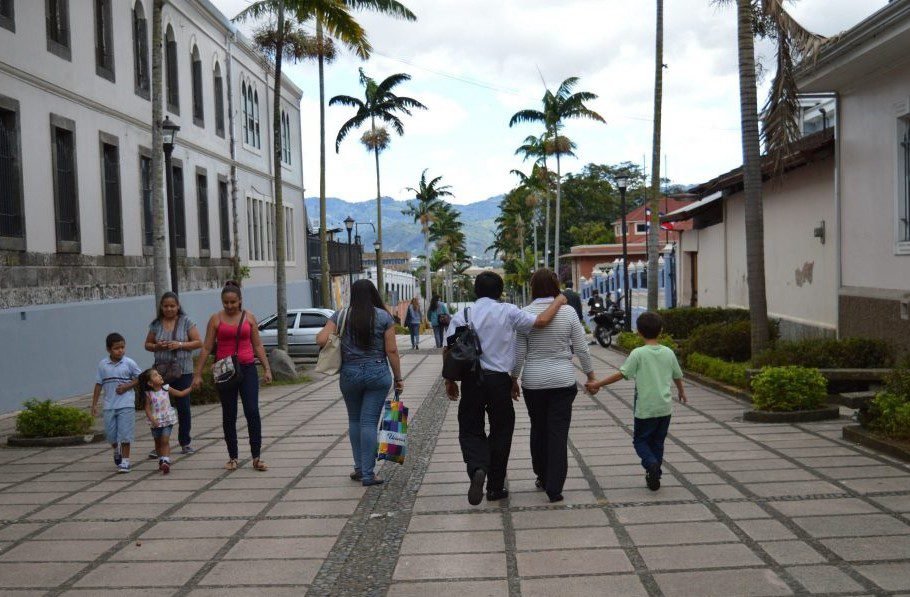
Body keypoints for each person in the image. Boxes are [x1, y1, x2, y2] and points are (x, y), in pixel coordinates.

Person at [444, 271, 567, 505]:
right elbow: (540, 322)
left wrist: (449, 381)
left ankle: (477, 467)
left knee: (470, 428)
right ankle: (495, 487)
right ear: (500, 292)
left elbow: (449, 349)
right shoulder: (508, 311)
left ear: (475, 291)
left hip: (471, 380)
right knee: (501, 431)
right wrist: (559, 300)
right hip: (499, 381)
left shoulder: (462, 314)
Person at [513, 270, 596, 503]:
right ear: (556, 285)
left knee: (538, 428)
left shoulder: (525, 314)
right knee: (558, 432)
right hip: (562, 379)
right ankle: (555, 486)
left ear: (532, 288)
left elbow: (519, 352)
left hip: (533, 380)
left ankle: (541, 474)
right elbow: (581, 348)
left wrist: (513, 379)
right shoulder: (568, 312)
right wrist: (590, 375)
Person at [586, 311, 687, 491]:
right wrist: (681, 391)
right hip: (665, 408)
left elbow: (622, 374)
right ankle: (654, 473)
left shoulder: (638, 353)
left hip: (645, 408)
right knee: (658, 442)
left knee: (640, 440)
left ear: (638, 332)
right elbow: (677, 376)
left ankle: (651, 465)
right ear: (661, 330)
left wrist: (598, 383)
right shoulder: (669, 353)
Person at [316, 279, 403, 486]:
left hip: (350, 374)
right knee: (369, 422)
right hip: (377, 373)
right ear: (373, 293)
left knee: (355, 421)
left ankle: (359, 468)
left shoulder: (342, 314)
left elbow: (320, 339)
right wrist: (398, 378)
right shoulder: (384, 317)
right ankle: (368, 473)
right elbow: (391, 350)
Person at [192, 281, 272, 472]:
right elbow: (206, 347)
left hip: (247, 368)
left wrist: (267, 368)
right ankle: (233, 456)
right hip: (224, 370)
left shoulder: (249, 317)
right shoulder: (215, 319)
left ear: (240, 301)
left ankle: (256, 456)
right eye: (225, 302)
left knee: (252, 411)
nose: (229, 306)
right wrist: (197, 374)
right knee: (229, 414)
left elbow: (258, 345)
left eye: (233, 302)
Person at [144, 292, 202, 458]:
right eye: (165, 306)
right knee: (159, 407)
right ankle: (160, 445)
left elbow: (198, 342)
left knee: (183, 407)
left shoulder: (186, 322)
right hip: (160, 373)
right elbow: (147, 344)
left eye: (172, 306)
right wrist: (157, 346)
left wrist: (180, 344)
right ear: (161, 307)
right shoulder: (156, 324)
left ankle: (185, 442)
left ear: (178, 306)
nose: (169, 309)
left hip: (183, 370)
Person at [91, 333, 142, 473]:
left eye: (122, 347)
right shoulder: (103, 364)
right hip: (109, 405)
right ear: (108, 349)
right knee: (110, 434)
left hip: (126, 404)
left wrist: (127, 386)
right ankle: (116, 449)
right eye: (116, 348)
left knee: (125, 434)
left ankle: (125, 461)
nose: (120, 350)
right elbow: (98, 384)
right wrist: (94, 404)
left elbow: (141, 378)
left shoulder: (129, 363)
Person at [137, 368, 192, 474]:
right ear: (150, 382)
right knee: (158, 443)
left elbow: (180, 394)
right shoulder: (149, 394)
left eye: (159, 374)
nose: (160, 376)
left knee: (165, 441)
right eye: (156, 375)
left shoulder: (166, 388)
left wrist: (191, 387)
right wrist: (152, 420)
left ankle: (166, 460)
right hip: (155, 421)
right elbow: (147, 409)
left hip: (167, 419)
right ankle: (161, 459)